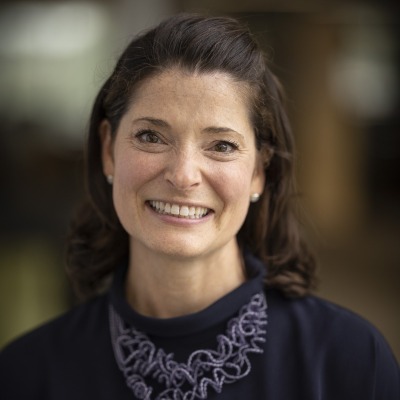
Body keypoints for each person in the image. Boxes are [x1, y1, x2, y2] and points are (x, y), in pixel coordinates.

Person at [0, 13, 398, 400]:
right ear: (108, 150)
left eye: (221, 145)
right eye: (152, 136)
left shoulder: (351, 361)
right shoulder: (27, 373)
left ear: (260, 170)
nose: (184, 175)